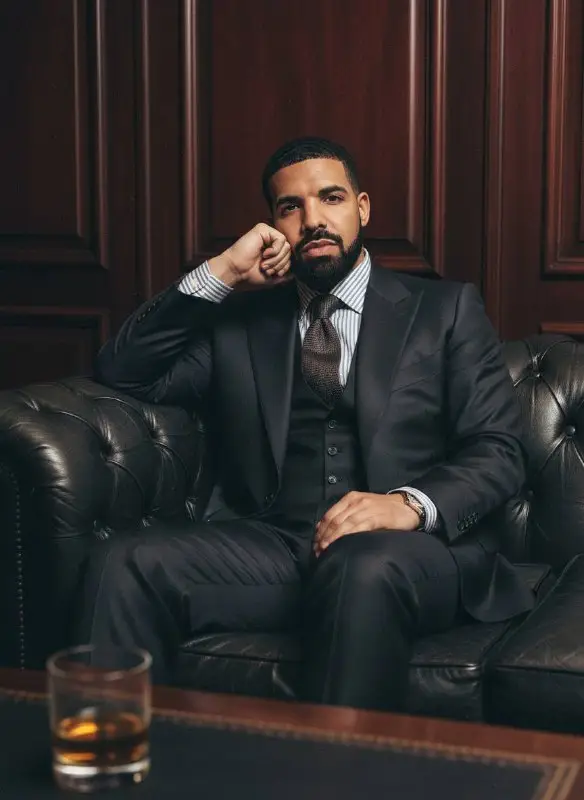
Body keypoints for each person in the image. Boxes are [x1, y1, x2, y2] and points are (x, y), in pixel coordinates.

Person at [74, 136, 534, 711]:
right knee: (123, 562)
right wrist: (218, 274)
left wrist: (409, 505)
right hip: (276, 544)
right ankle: (112, 765)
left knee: (362, 566)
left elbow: (498, 449)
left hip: (410, 553)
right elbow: (124, 370)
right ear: (273, 224)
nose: (313, 219)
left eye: (331, 197)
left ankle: (334, 782)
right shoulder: (241, 323)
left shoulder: (444, 310)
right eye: (290, 207)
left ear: (361, 208)